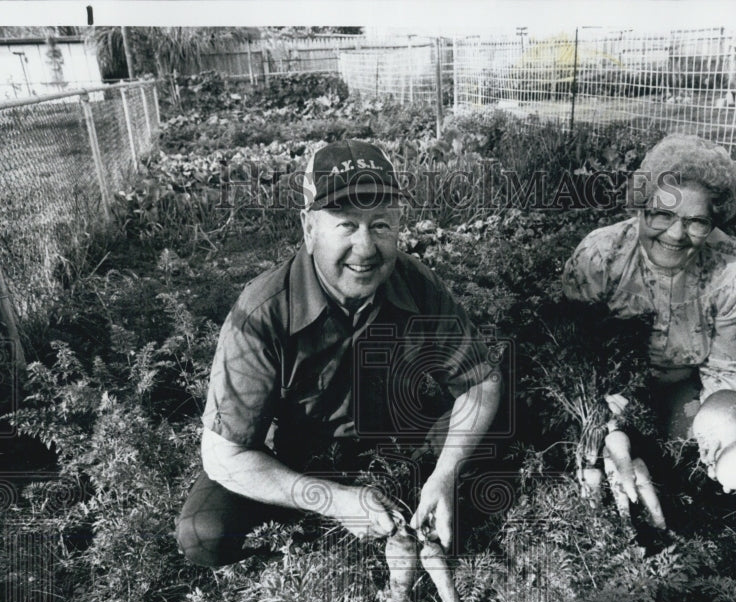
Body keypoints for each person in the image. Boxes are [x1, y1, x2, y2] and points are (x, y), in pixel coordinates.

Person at [177, 139, 501, 567]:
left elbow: (481, 380)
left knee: (508, 427)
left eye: (381, 225)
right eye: (346, 225)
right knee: (204, 533)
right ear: (309, 229)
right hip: (287, 463)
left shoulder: (415, 284)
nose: (366, 249)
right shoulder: (262, 312)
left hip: (392, 444)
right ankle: (302, 539)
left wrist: (444, 475)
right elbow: (223, 455)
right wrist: (332, 500)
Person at [562, 133, 736, 499]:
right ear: (641, 205)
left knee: (687, 463)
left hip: (680, 387)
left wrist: (718, 426)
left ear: (714, 220)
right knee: (594, 453)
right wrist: (600, 398)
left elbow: (725, 368)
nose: (675, 234)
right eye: (662, 214)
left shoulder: (734, 268)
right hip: (608, 390)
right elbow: (569, 345)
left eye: (696, 222)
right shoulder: (601, 255)